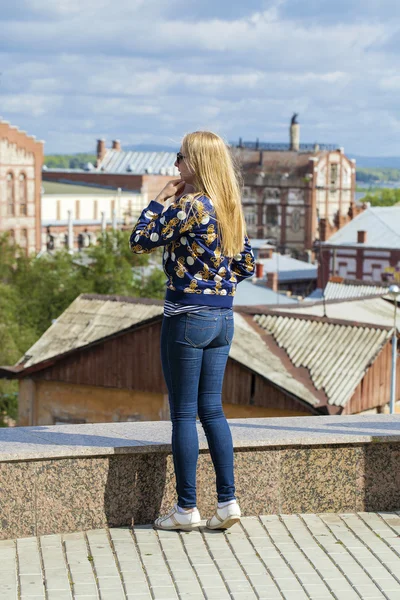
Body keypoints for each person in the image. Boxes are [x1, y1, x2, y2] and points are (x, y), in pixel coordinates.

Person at [130, 131, 255, 531]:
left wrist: (158, 199)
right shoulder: (228, 207)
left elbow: (139, 241)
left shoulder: (191, 206)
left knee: (184, 414)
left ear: (196, 162)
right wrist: (217, 281)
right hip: (223, 319)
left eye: (180, 157)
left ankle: (185, 509)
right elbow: (247, 265)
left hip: (186, 317)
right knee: (212, 410)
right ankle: (227, 502)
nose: (175, 164)